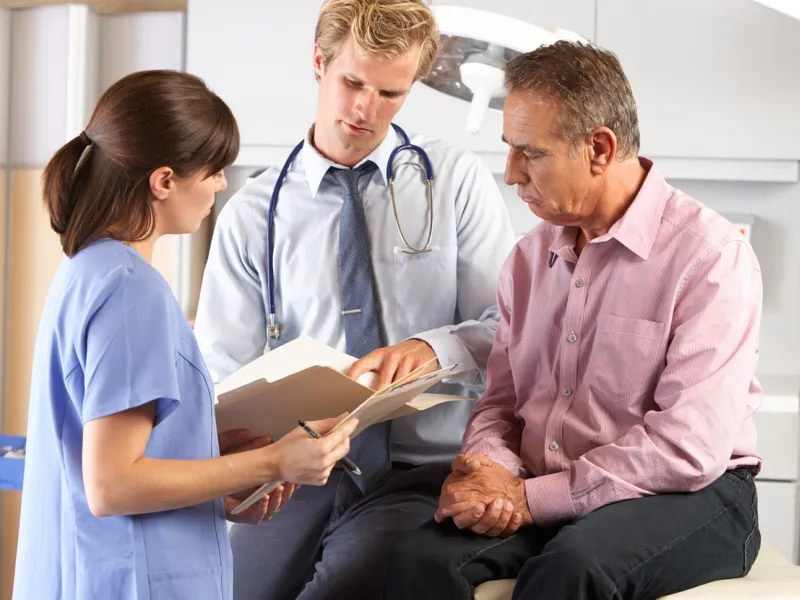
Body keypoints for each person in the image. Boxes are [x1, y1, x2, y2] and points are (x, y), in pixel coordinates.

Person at [383, 41, 763, 600]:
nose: (511, 174)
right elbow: (501, 405)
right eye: (510, 150)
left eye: (530, 153)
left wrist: (532, 499)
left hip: (691, 491)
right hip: (547, 483)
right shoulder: (528, 260)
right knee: (415, 559)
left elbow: (688, 446)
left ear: (600, 149)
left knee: (573, 568)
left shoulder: (709, 257)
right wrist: (487, 472)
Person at [192, 1, 516, 598]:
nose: (366, 109)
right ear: (319, 62)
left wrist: (432, 347)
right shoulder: (252, 214)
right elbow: (222, 373)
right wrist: (243, 467)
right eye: (353, 82)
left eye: (391, 93)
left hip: (419, 472)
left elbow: (511, 330)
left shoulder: (453, 182)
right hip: (296, 471)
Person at [12, 70, 358, 600]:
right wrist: (275, 461)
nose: (221, 185)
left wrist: (216, 465)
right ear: (165, 180)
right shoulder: (131, 290)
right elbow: (112, 484)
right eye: (215, 170)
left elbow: (111, 457)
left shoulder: (86, 272)